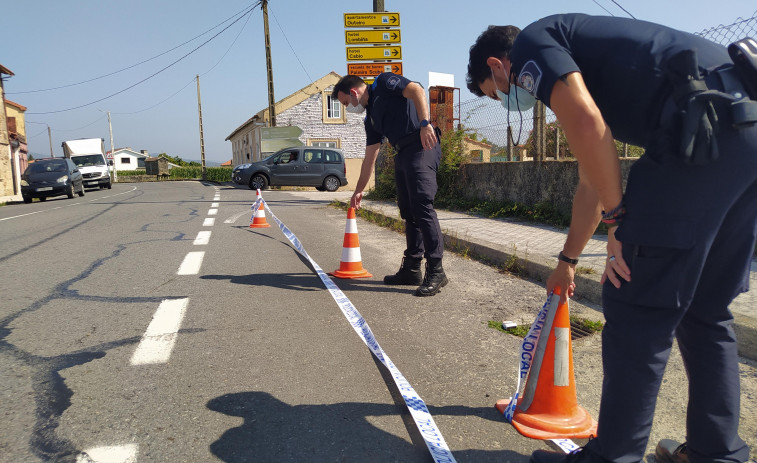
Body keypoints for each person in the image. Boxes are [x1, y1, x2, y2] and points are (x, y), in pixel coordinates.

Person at [467, 14, 756, 463]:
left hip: (701, 133)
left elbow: (585, 122)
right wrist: (567, 260)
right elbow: (591, 178)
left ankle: (612, 457)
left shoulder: (531, 46)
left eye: (496, 91)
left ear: (498, 65)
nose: (508, 99)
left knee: (636, 304)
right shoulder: (588, 55)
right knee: (706, 309)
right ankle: (716, 453)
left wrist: (618, 220)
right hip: (745, 132)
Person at [332, 73, 448, 297]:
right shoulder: (371, 119)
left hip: (422, 143)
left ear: (353, 92)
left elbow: (416, 90)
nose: (348, 108)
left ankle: (436, 270)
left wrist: (425, 124)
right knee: (408, 211)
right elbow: (369, 158)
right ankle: (412, 268)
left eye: (346, 102)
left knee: (422, 206)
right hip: (403, 152)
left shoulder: (384, 83)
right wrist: (358, 191)